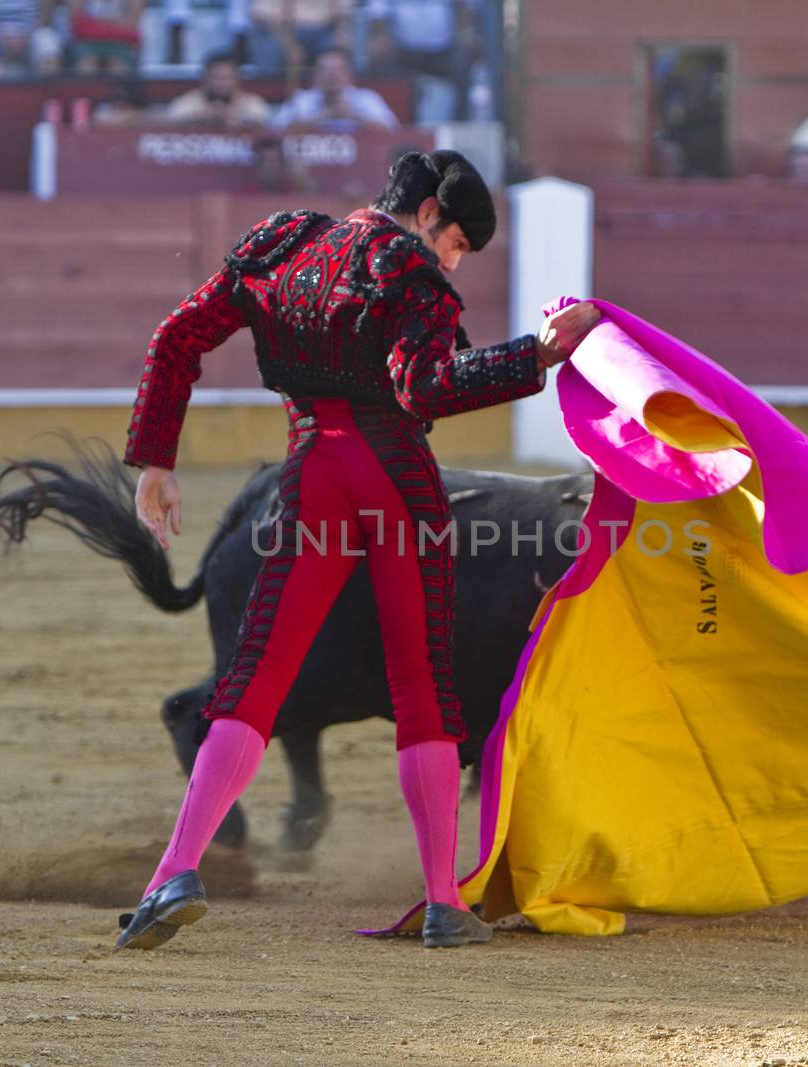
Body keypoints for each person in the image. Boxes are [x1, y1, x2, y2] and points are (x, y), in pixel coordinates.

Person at [115, 150, 602, 952]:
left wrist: (157, 459)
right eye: (455, 247)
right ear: (430, 218)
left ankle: (174, 869)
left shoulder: (281, 247)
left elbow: (176, 338)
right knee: (422, 684)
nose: (450, 264)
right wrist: (539, 353)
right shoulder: (410, 273)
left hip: (310, 474)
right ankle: (444, 902)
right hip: (396, 479)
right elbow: (427, 389)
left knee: (255, 680)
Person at [269, 46, 397, 132]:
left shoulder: (366, 98)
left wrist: (354, 117)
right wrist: (324, 116)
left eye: (338, 70)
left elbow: (393, 131)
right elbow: (276, 131)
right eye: (325, 70)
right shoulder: (301, 100)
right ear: (315, 75)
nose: (332, 75)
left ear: (349, 75)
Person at [165, 51, 271, 127]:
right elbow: (174, 118)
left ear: (237, 80)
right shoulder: (188, 102)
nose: (221, 83)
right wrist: (203, 117)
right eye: (216, 77)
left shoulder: (252, 103)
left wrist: (234, 117)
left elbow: (262, 119)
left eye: (227, 78)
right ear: (205, 78)